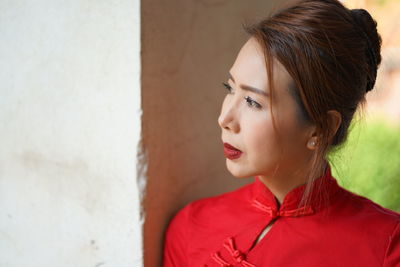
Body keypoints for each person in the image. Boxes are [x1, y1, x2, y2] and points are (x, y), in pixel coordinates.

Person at [162, 0, 400, 266]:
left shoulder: (386, 247)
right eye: (230, 89)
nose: (224, 119)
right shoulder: (191, 227)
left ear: (321, 128)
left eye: (253, 102)